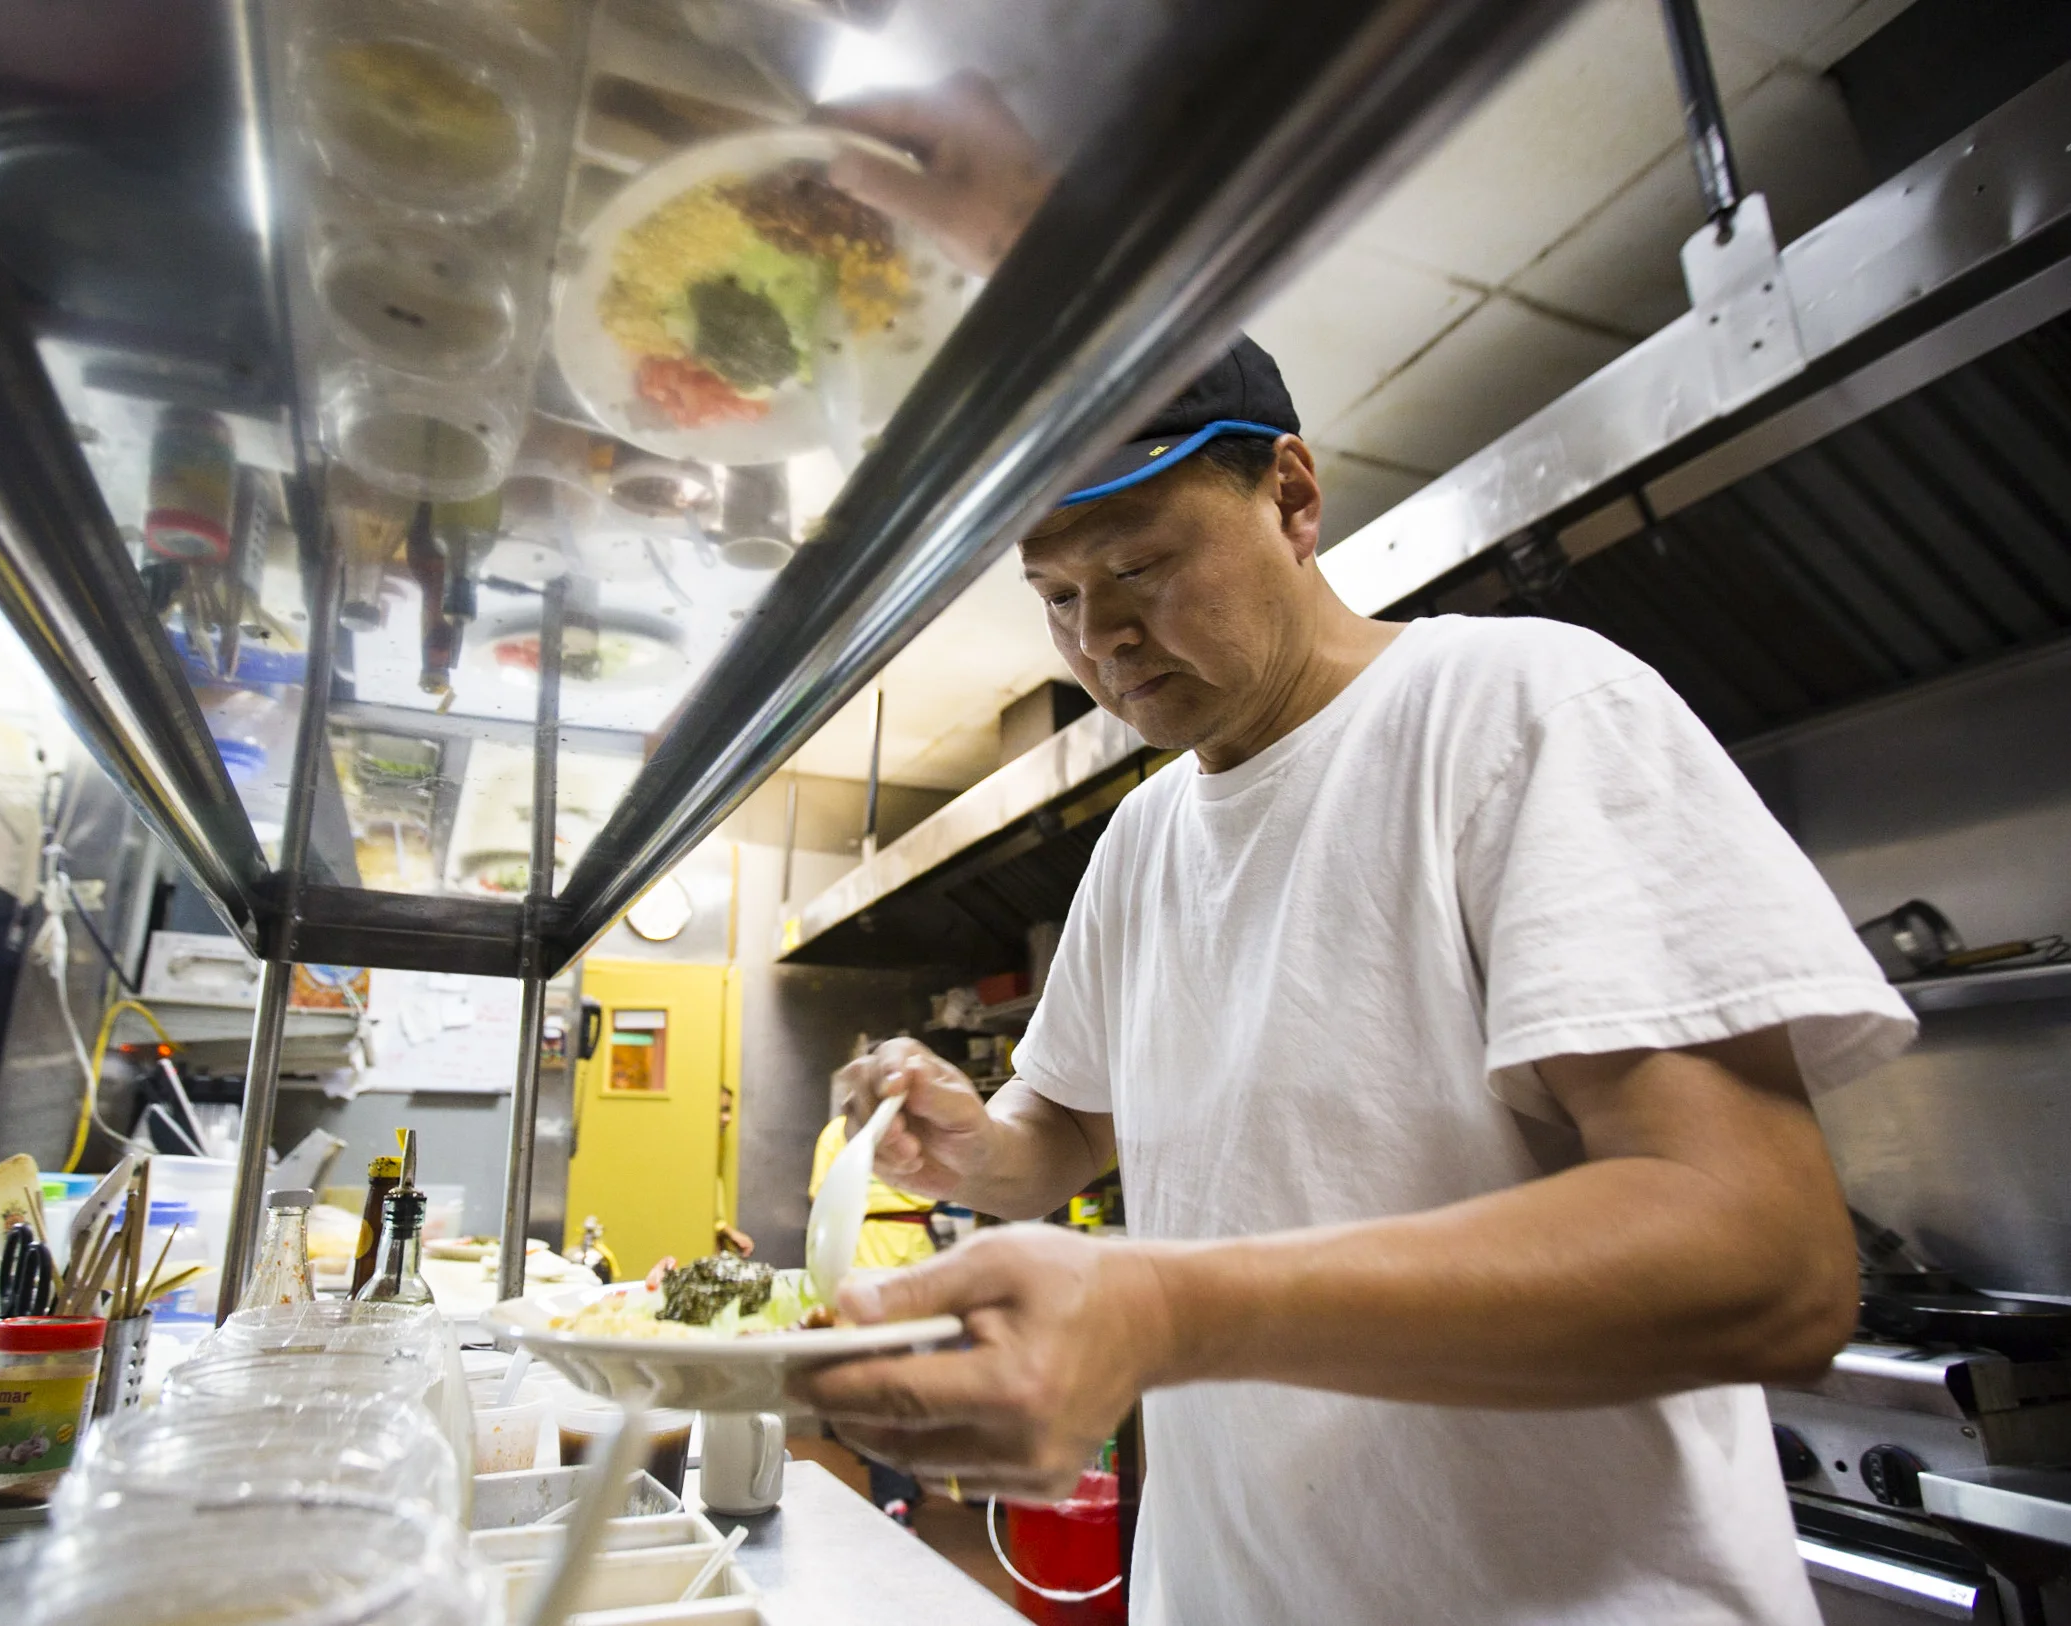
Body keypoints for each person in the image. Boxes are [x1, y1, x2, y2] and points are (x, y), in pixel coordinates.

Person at [798, 77, 1917, 1625]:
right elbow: (1061, 1137)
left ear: (1293, 495)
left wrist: (1164, 1306)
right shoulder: (1139, 840)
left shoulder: (1515, 710)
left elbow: (1769, 1258)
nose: (1100, 636)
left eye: (1137, 565)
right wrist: (962, 1141)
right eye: (1054, 595)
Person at [809, 1061, 939, 1526]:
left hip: (881, 1256)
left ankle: (899, 1483)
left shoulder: (838, 1134)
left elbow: (821, 1200)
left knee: (891, 1379)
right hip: (890, 1257)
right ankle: (896, 1488)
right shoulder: (913, 1133)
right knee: (895, 1376)